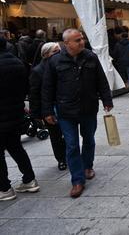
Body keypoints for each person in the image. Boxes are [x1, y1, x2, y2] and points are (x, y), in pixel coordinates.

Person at [42, 29, 113, 198]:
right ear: (67, 44)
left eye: (82, 39)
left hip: (88, 107)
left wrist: (107, 100)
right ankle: (77, 180)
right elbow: (47, 88)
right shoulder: (55, 61)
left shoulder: (90, 57)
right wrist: (47, 110)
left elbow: (101, 80)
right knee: (72, 145)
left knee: (88, 139)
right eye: (77, 40)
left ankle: (87, 166)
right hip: (66, 110)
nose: (82, 42)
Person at [0, 37, 39, 201]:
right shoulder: (17, 62)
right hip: (15, 112)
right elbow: (25, 87)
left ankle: (4, 188)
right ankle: (29, 179)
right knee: (16, 147)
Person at [29, 42, 67, 170]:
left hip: (65, 106)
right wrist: (36, 114)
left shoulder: (63, 65)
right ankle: (61, 159)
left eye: (59, 51)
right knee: (56, 135)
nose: (59, 54)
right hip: (50, 108)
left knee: (69, 133)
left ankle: (71, 155)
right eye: (55, 52)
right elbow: (34, 94)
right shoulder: (38, 71)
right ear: (45, 55)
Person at [112, 32, 129, 96]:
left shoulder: (117, 44)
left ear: (121, 37)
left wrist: (116, 61)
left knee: (122, 75)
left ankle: (125, 85)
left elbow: (115, 54)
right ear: (127, 37)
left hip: (120, 63)